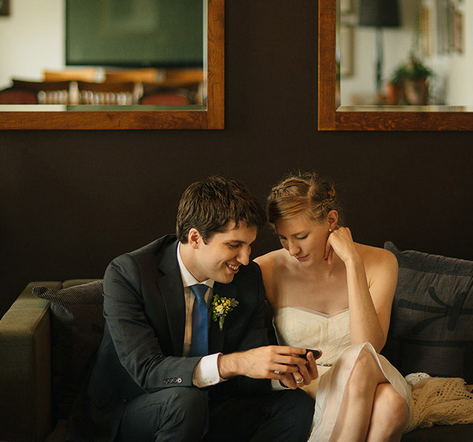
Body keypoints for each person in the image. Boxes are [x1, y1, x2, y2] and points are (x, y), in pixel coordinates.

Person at [68, 175, 317, 442]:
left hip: (211, 407)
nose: (245, 259)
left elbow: (246, 375)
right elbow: (147, 370)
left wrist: (279, 375)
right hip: (133, 409)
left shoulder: (247, 279)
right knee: (185, 401)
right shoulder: (129, 274)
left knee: (296, 404)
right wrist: (235, 362)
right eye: (234, 245)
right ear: (195, 237)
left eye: (249, 245)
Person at [255, 172, 411, 442]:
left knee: (361, 359)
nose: (292, 249)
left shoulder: (382, 262)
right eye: (283, 238)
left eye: (301, 236)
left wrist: (353, 262)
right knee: (391, 406)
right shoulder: (267, 269)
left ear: (331, 220)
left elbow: (369, 347)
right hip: (308, 391)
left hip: (367, 378)